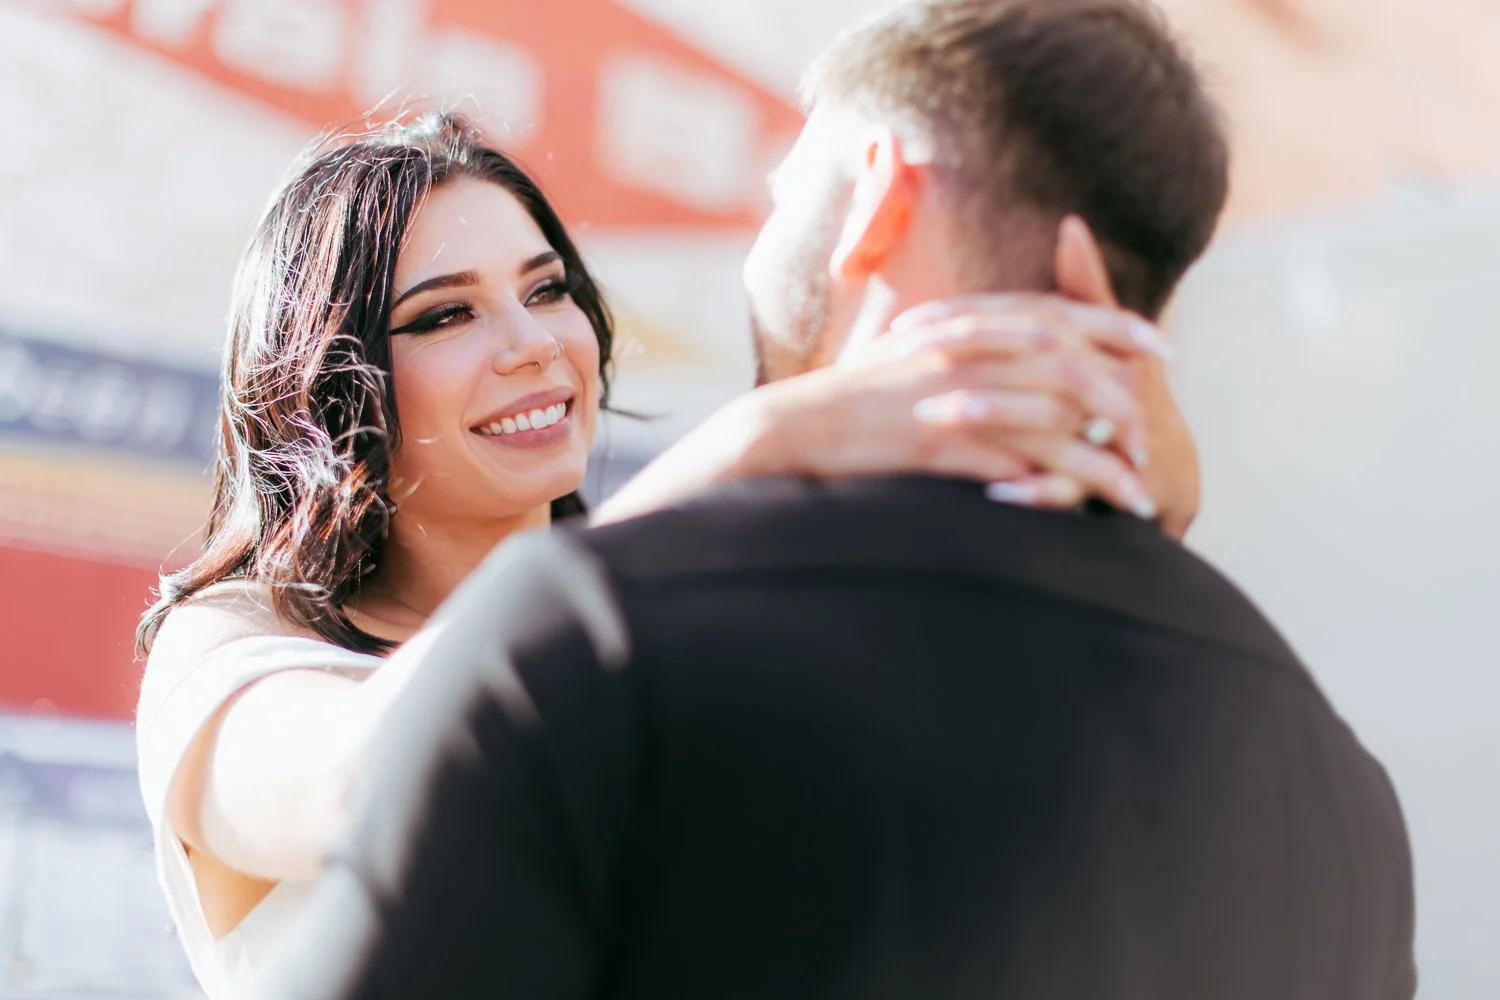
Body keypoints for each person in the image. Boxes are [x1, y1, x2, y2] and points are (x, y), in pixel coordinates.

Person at [259, 1, 1417, 999]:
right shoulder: (1338, 790)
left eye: (785, 186)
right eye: (447, 314)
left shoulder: (594, 645)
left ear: (881, 194)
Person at [135, 103, 1194, 998]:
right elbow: (373, 777)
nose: (535, 344)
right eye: (446, 314)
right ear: (330, 381)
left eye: (547, 289)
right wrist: (755, 450)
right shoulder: (227, 643)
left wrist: (1107, 409)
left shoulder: (676, 633)